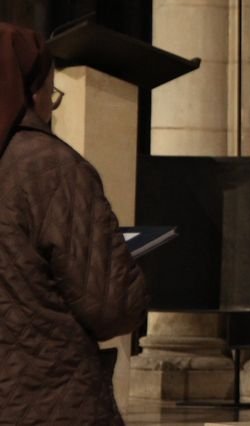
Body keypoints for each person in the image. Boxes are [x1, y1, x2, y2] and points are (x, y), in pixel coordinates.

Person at [0, 22, 147, 425]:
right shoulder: (48, 168)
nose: (52, 103)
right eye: (51, 90)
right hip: (48, 399)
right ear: (29, 92)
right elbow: (110, 306)